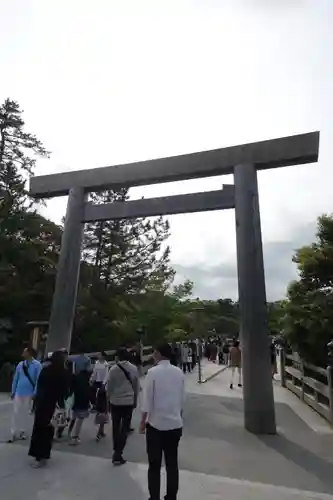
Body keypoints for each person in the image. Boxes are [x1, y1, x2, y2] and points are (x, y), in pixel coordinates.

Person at [140, 343, 185, 500]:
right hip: (175, 424)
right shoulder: (179, 372)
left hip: (156, 425)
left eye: (154, 352)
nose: (153, 354)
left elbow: (147, 401)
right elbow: (181, 398)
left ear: (158, 353)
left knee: (154, 465)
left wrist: (142, 422)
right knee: (172, 464)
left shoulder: (152, 372)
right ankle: (171, 496)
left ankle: (154, 497)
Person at [28, 350, 68, 467]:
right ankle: (44, 456)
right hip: (54, 405)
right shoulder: (64, 373)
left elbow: (40, 386)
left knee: (39, 429)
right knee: (48, 430)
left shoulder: (46, 370)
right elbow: (65, 391)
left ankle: (38, 456)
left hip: (43, 403)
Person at [106, 347, 139, 465]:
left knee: (115, 426)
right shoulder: (133, 368)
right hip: (128, 401)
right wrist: (135, 401)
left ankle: (116, 449)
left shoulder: (113, 369)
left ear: (117, 357)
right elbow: (136, 387)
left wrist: (108, 400)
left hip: (115, 401)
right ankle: (118, 453)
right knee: (125, 428)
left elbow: (108, 387)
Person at [9, 347, 42, 443]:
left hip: (29, 393)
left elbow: (38, 380)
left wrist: (35, 392)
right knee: (16, 412)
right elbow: (16, 378)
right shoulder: (20, 364)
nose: (23, 353)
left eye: (25, 351)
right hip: (19, 391)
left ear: (30, 353)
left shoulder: (37, 365)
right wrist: (13, 391)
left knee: (25, 413)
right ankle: (13, 432)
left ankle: (22, 431)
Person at [68, 368, 91, 445]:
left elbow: (71, 389)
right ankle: (74, 437)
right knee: (79, 420)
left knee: (74, 417)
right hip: (83, 402)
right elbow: (89, 391)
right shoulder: (87, 379)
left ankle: (70, 432)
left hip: (75, 401)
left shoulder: (75, 377)